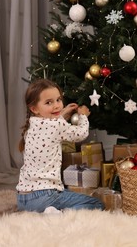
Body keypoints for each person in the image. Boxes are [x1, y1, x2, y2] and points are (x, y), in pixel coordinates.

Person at [16, 78, 103, 212]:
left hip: (23, 199)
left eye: (58, 100)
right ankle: (59, 214)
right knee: (96, 204)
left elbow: (51, 126)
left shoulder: (31, 125)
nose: (56, 105)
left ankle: (46, 212)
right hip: (45, 196)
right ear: (34, 108)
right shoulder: (57, 125)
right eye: (49, 102)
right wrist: (83, 116)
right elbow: (81, 133)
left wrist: (63, 113)